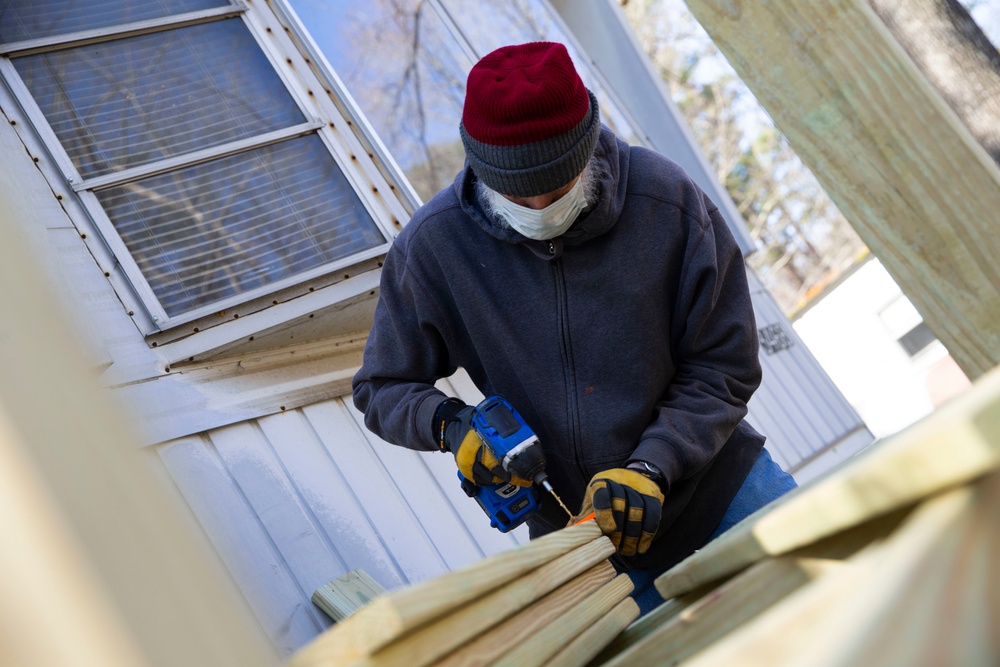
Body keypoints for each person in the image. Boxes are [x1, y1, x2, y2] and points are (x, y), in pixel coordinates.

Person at [352, 41, 796, 614]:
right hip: (587, 554)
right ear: (480, 169)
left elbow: (723, 364)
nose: (538, 207)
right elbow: (380, 387)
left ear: (587, 150)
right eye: (516, 194)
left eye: (559, 188)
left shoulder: (665, 201)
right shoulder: (434, 248)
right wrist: (449, 424)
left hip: (725, 497)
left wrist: (652, 464)